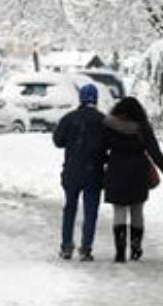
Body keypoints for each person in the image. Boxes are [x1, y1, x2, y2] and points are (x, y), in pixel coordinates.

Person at [101, 96, 163, 262]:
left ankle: (120, 251)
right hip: (138, 172)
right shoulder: (143, 128)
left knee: (119, 211)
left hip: (116, 171)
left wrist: (105, 162)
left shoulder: (108, 126)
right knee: (137, 211)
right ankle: (136, 248)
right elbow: (155, 152)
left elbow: (101, 149)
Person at [51, 82, 107, 261]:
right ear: (96, 100)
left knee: (70, 208)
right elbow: (110, 144)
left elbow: (58, 141)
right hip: (94, 173)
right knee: (91, 211)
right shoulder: (102, 120)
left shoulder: (69, 118)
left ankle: (67, 245)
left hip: (72, 171)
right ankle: (86, 248)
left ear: (81, 99)